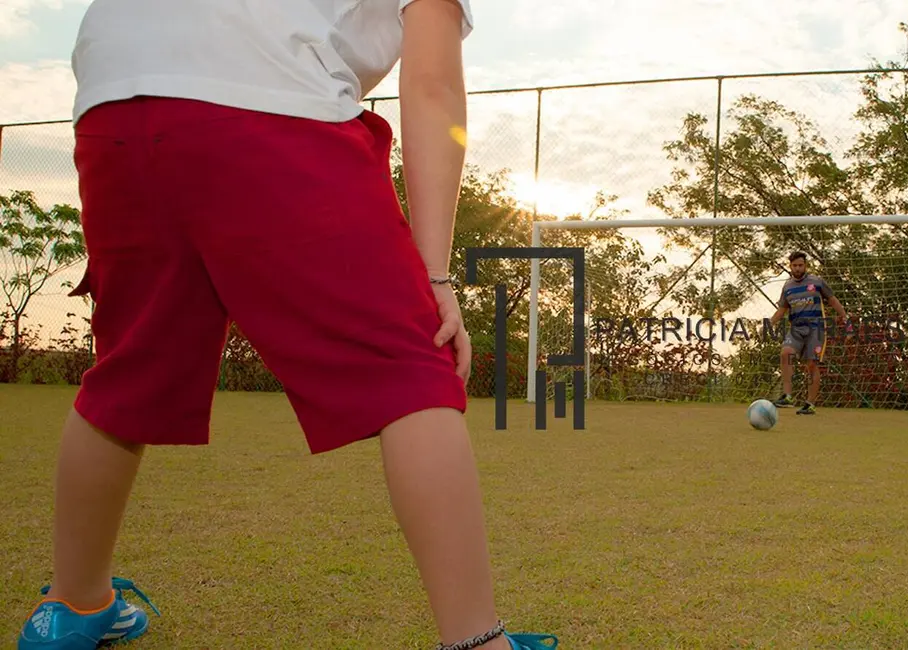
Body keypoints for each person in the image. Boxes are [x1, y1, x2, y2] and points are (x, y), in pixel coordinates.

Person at [15, 1, 558, 649]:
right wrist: (433, 276)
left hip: (114, 105)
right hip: (270, 103)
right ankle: (477, 641)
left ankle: (72, 606)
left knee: (127, 367)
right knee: (414, 363)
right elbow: (433, 85)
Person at [770, 251, 847, 415]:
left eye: (800, 265)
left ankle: (810, 404)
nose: (797, 268)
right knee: (786, 353)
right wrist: (769, 324)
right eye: (794, 265)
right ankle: (788, 396)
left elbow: (832, 299)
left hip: (816, 329)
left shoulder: (817, 282)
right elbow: (782, 310)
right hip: (796, 329)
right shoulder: (787, 287)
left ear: (805, 266)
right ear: (790, 267)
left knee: (811, 364)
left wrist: (844, 317)